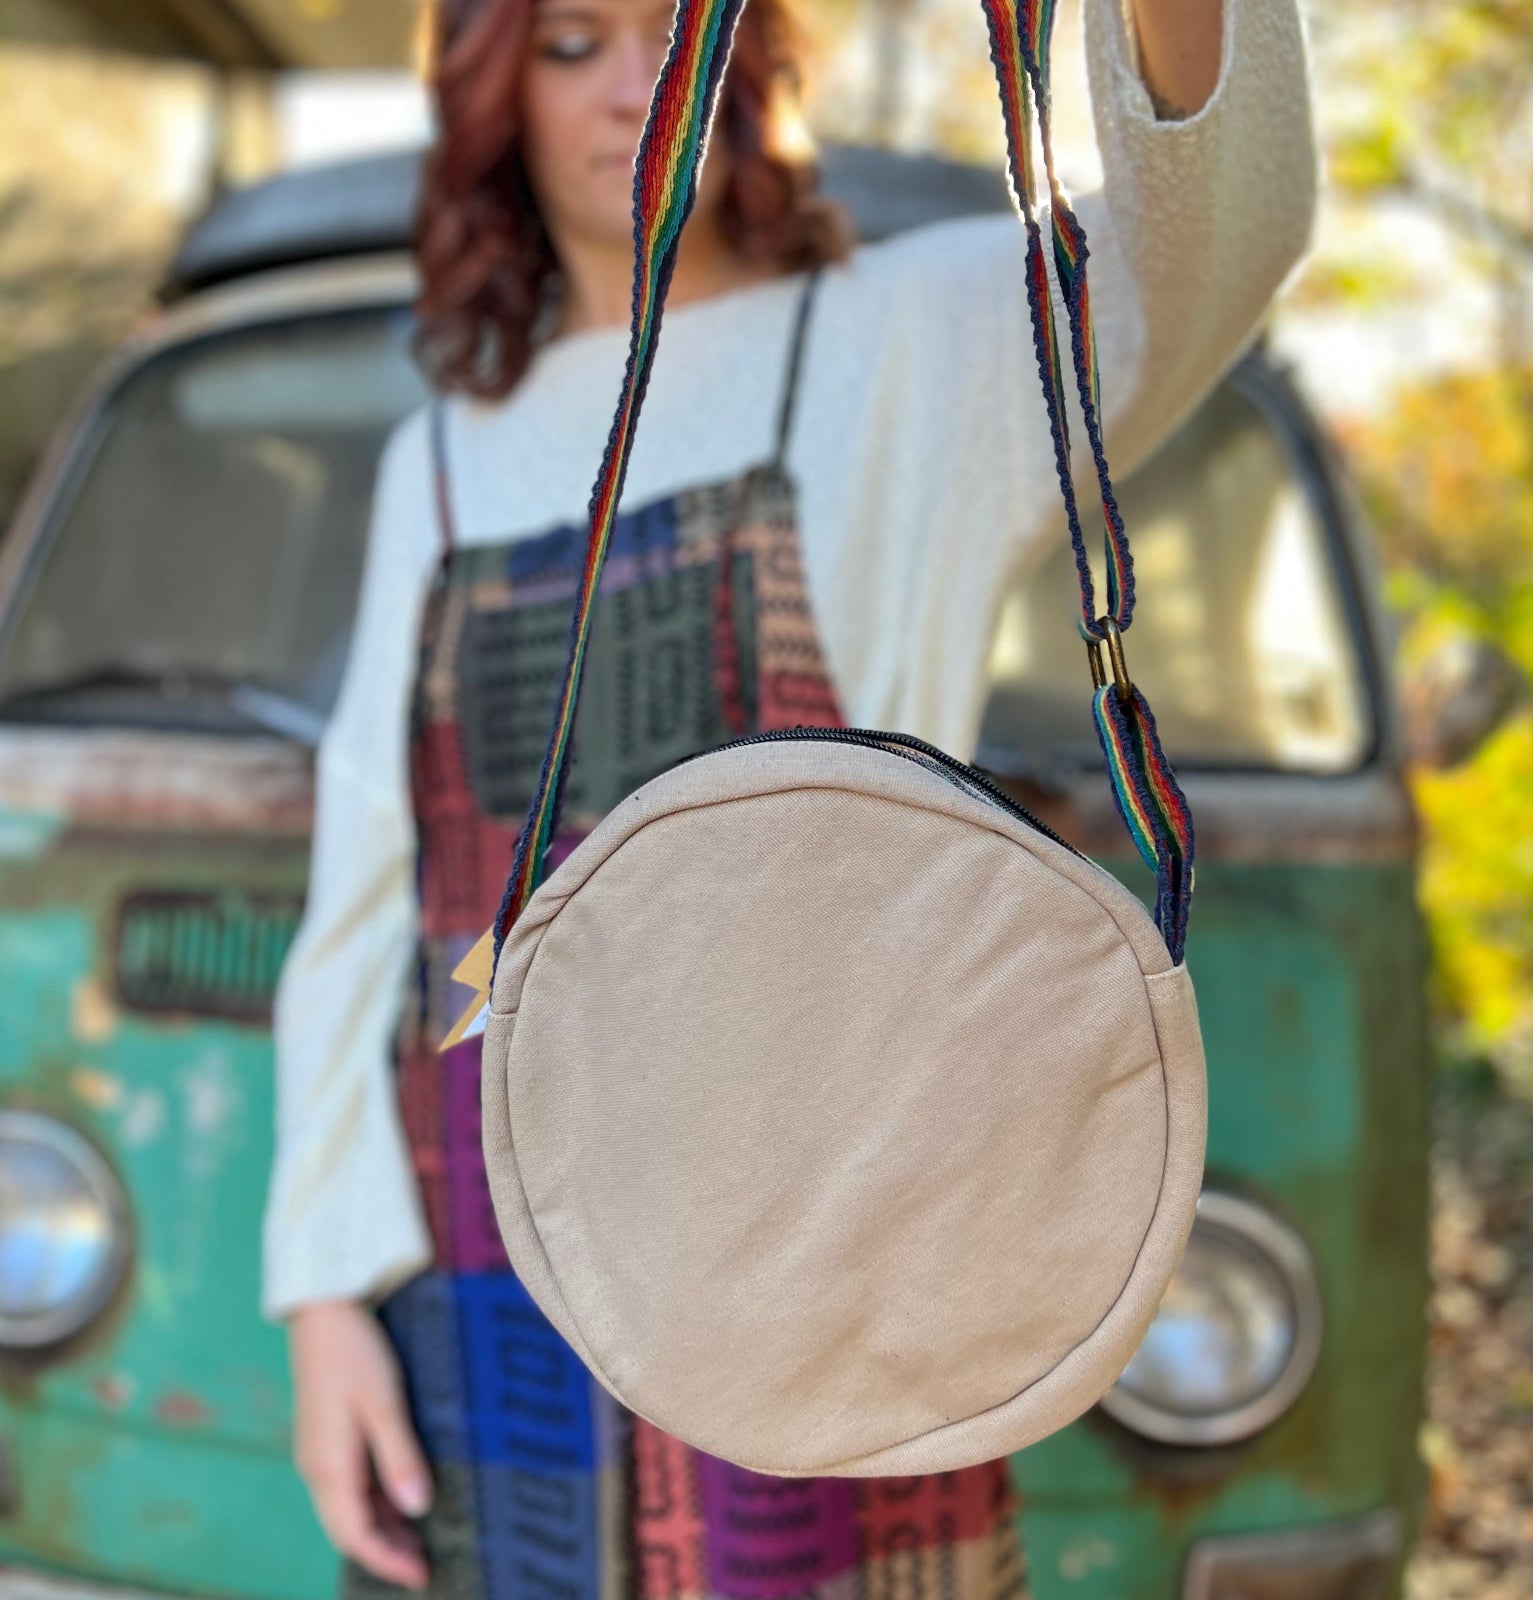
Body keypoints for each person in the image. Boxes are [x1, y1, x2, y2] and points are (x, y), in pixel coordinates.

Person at [263, 0, 1318, 1591]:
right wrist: (327, 1298)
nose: (633, 82)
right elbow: (372, 897)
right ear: (491, 101)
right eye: (567, 44)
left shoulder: (911, 339)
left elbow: (1217, 240)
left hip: (819, 1214)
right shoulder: (442, 454)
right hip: (482, 1228)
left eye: (662, 25)